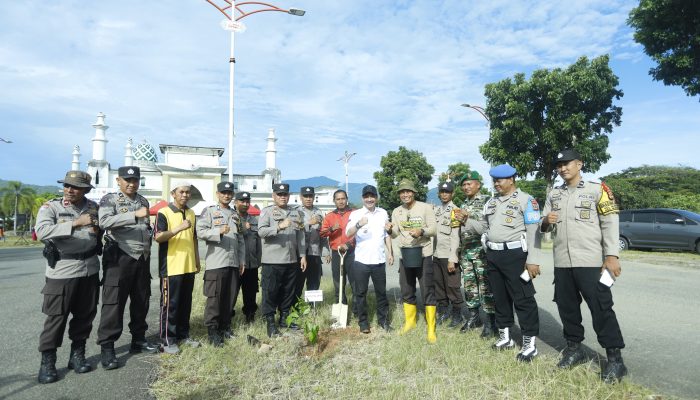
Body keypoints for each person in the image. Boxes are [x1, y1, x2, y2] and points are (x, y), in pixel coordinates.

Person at [540, 149, 628, 383]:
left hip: (590, 261)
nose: (562, 168)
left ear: (579, 164)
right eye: (559, 165)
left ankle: (615, 360)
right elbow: (544, 224)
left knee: (601, 309)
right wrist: (545, 222)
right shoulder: (554, 194)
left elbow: (610, 222)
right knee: (567, 308)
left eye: (567, 163)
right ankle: (574, 349)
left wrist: (611, 255)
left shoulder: (597, 189)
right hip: (562, 262)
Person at [35, 170, 101, 384]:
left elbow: (100, 232)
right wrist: (75, 223)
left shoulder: (93, 208)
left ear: (85, 190)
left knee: (85, 315)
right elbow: (42, 232)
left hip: (89, 268)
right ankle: (48, 361)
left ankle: (77, 355)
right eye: (66, 185)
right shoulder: (51, 207)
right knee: (56, 317)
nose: (69, 190)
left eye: (75, 186)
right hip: (63, 269)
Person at [96, 166, 158, 371]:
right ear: (118, 180)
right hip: (120, 257)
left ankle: (138, 340)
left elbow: (146, 225)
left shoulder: (143, 201)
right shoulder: (110, 200)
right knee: (114, 303)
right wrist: (133, 215)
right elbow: (104, 221)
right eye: (127, 179)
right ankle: (107, 347)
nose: (132, 183)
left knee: (141, 300)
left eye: (135, 180)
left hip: (142, 257)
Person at [481, 164, 542, 362]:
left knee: (523, 299)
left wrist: (533, 260)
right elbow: (484, 227)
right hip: (493, 255)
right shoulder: (491, 202)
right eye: (494, 180)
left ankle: (529, 344)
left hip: (516, 255)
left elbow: (534, 231)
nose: (496, 183)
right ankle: (505, 337)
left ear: (511, 179)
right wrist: (466, 221)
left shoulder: (526, 200)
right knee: (500, 297)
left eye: (499, 180)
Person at [387, 179, 438, 343]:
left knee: (427, 290)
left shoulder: (425, 208)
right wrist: (389, 230)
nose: (405, 194)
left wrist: (421, 231)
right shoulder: (396, 211)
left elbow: (434, 230)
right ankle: (410, 322)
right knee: (406, 289)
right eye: (402, 192)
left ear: (414, 193)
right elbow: (395, 233)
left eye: (408, 191)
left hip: (423, 254)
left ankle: (431, 328)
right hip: (406, 255)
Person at [196, 182, 246, 347]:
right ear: (217, 194)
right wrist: (217, 231)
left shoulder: (235, 215)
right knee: (215, 299)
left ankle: (225, 327)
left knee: (230, 297)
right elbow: (200, 232)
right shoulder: (210, 211)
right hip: (216, 263)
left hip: (233, 262)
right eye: (223, 192)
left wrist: (242, 260)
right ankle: (212, 331)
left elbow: (240, 239)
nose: (227, 195)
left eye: (229, 192)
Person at [155, 181, 201, 354]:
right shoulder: (164, 212)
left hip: (188, 266)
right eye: (181, 192)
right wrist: (178, 228)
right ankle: (167, 340)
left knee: (185, 303)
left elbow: (194, 239)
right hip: (171, 266)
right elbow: (158, 237)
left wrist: (196, 260)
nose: (185, 195)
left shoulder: (191, 213)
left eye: (188, 192)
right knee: (170, 304)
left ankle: (183, 335)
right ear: (173, 193)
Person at [258, 183, 307, 337]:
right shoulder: (267, 212)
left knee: (288, 292)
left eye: (285, 194)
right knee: (270, 292)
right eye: (279, 194)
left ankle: (285, 319)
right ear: (273, 196)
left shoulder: (295, 213)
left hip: (291, 260)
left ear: (289, 195)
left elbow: (301, 235)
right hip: (272, 260)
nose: (282, 197)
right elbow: (261, 232)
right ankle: (270, 323)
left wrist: (303, 255)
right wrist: (279, 226)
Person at [453, 171, 497, 337]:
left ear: (478, 184)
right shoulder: (462, 204)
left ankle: (490, 322)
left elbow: (487, 226)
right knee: (470, 287)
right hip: (466, 253)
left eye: (469, 183)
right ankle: (474, 317)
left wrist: (467, 217)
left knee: (486, 287)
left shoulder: (488, 201)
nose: (466, 187)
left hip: (482, 253)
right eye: (464, 185)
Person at [346, 185, 393, 333]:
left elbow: (387, 235)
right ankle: (363, 322)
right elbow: (348, 233)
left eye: (372, 196)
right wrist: (359, 224)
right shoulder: (356, 214)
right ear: (362, 198)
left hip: (379, 260)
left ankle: (383, 321)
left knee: (381, 293)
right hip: (361, 261)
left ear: (376, 198)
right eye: (366, 197)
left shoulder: (383, 213)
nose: (369, 199)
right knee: (360, 293)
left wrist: (390, 253)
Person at [432, 181, 464, 329]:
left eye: (447, 192)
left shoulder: (455, 211)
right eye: (442, 192)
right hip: (436, 254)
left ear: (452, 194)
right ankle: (444, 312)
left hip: (448, 255)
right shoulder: (436, 210)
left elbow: (455, 236)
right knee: (439, 286)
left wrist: (453, 259)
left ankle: (458, 315)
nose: (444, 194)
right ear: (439, 193)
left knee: (452, 286)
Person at [320, 189, 355, 309]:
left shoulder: (354, 213)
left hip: (352, 252)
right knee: (338, 281)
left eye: (343, 198)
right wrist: (331, 229)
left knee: (355, 282)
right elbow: (322, 234)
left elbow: (360, 232)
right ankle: (340, 305)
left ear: (347, 199)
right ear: (334, 201)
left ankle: (357, 309)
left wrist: (349, 244)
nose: (341, 201)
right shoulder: (330, 216)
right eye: (338, 199)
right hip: (336, 252)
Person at [294, 186, 326, 299]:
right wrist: (308, 222)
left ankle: (312, 309)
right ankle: (296, 309)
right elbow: (294, 230)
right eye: (305, 196)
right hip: (299, 253)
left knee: (314, 282)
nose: (308, 199)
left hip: (314, 252)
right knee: (297, 283)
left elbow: (322, 233)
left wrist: (326, 251)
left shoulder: (319, 212)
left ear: (314, 197)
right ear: (300, 197)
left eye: (310, 196)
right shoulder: (295, 211)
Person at [235, 191, 262, 324]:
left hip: (251, 264)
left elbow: (258, 242)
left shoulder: (253, 220)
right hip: (235, 264)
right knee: (232, 293)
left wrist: (258, 260)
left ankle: (250, 316)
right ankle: (227, 318)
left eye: (247, 202)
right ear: (236, 202)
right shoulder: (232, 218)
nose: (245, 204)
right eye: (242, 201)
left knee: (251, 293)